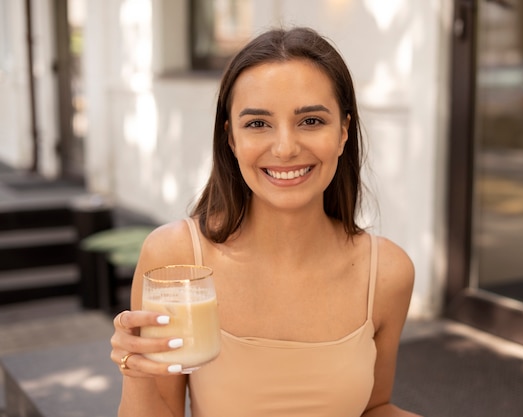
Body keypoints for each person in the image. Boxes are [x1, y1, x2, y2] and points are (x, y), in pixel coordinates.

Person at [110, 26, 420, 417]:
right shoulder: (176, 259)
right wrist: (135, 370)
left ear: (343, 131)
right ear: (231, 138)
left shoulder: (388, 273)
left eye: (311, 121)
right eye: (258, 124)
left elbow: (375, 407)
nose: (286, 148)